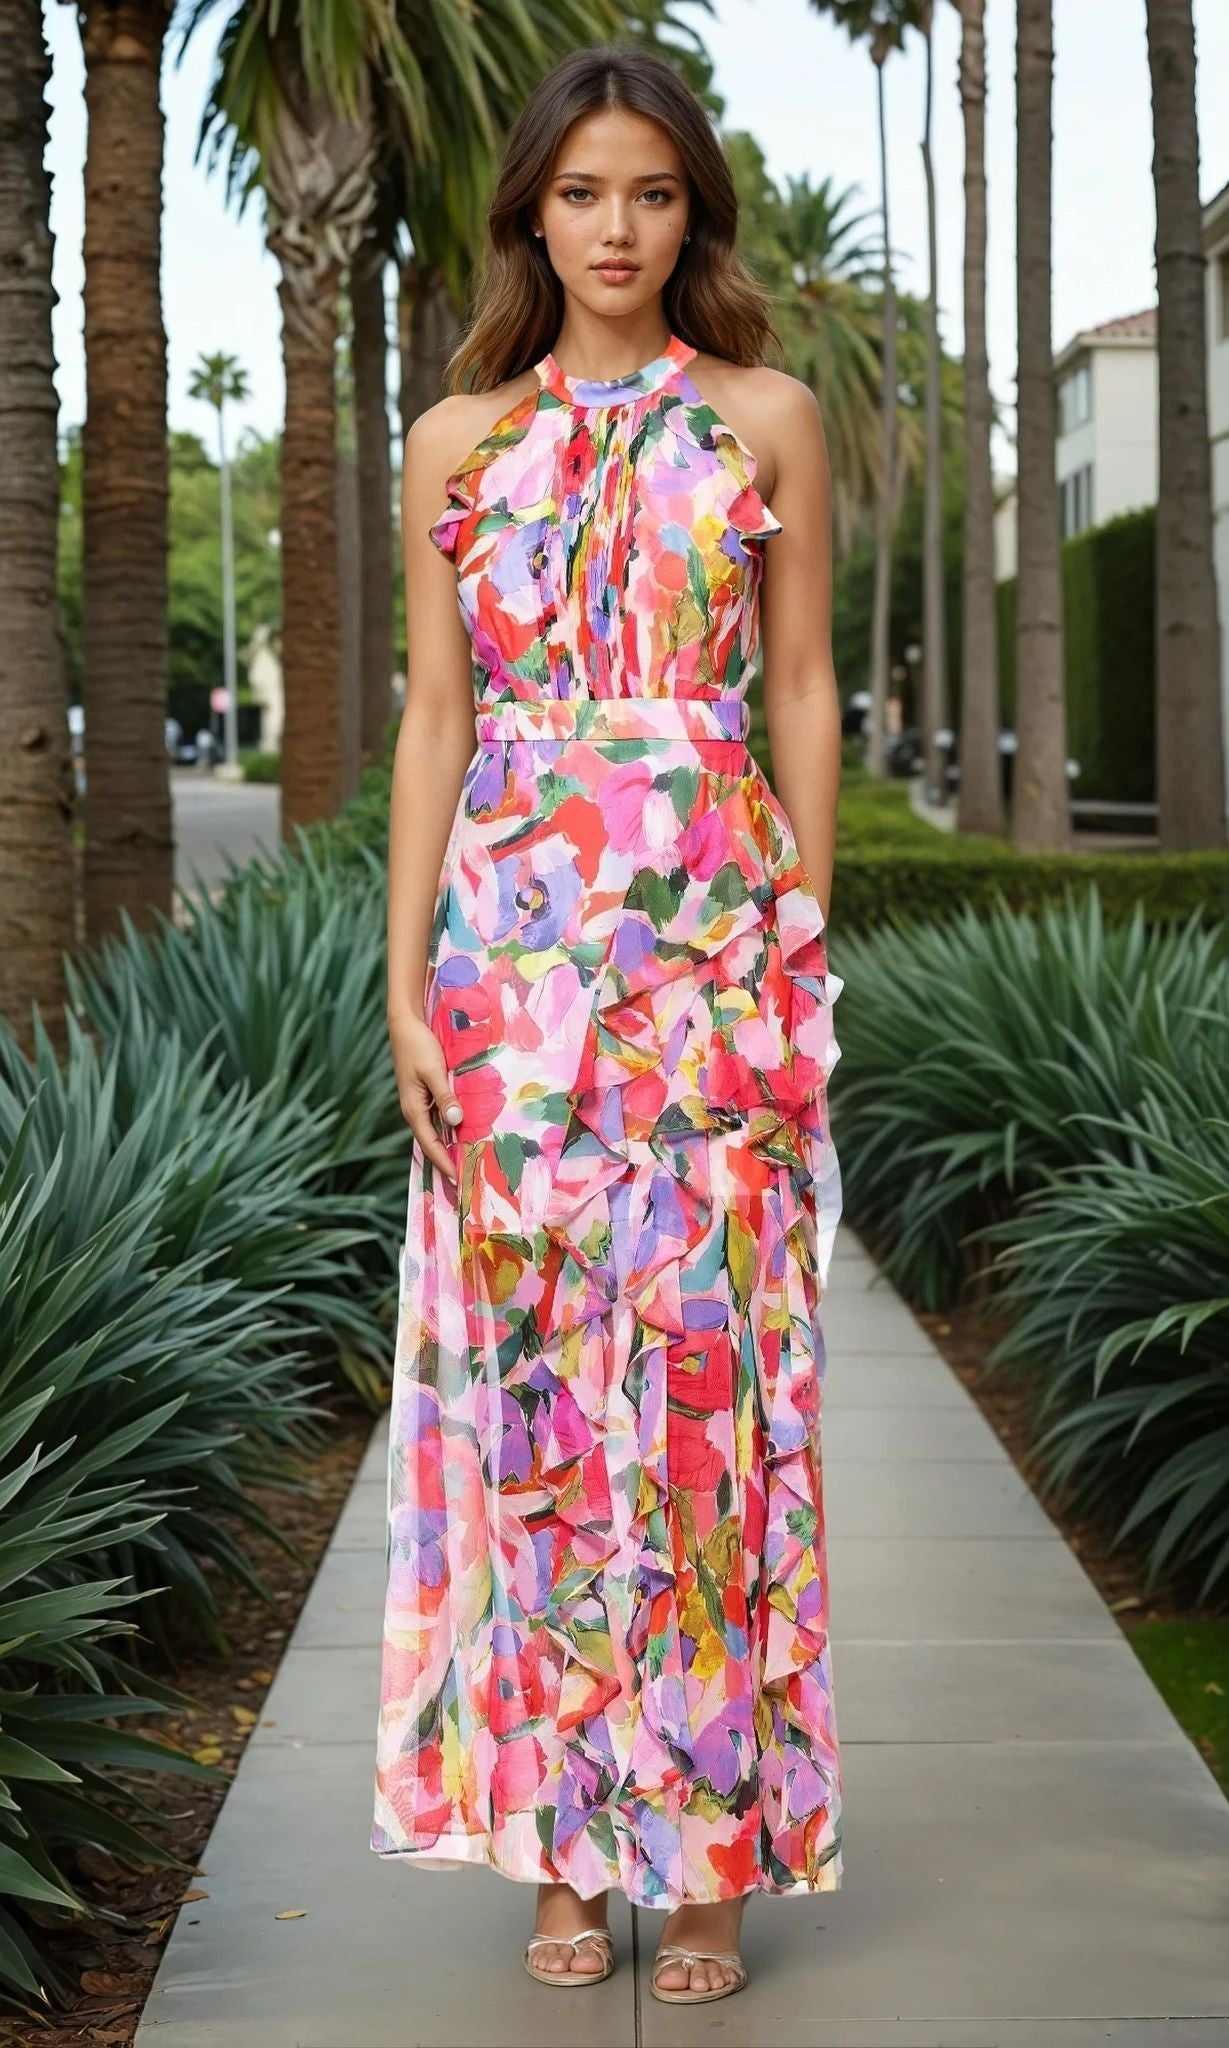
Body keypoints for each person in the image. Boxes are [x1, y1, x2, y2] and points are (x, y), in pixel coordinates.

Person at [371, 43, 844, 2010]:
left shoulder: (767, 419)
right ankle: (569, 1845)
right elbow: (435, 718)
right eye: (583, 195)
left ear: (692, 210)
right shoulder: (458, 443)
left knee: (717, 1418)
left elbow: (802, 683)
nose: (619, 228)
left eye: (651, 193)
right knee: (544, 1422)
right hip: (512, 994)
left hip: (717, 986)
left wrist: (802, 938)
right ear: (532, 214)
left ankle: (710, 1849)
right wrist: (404, 984)